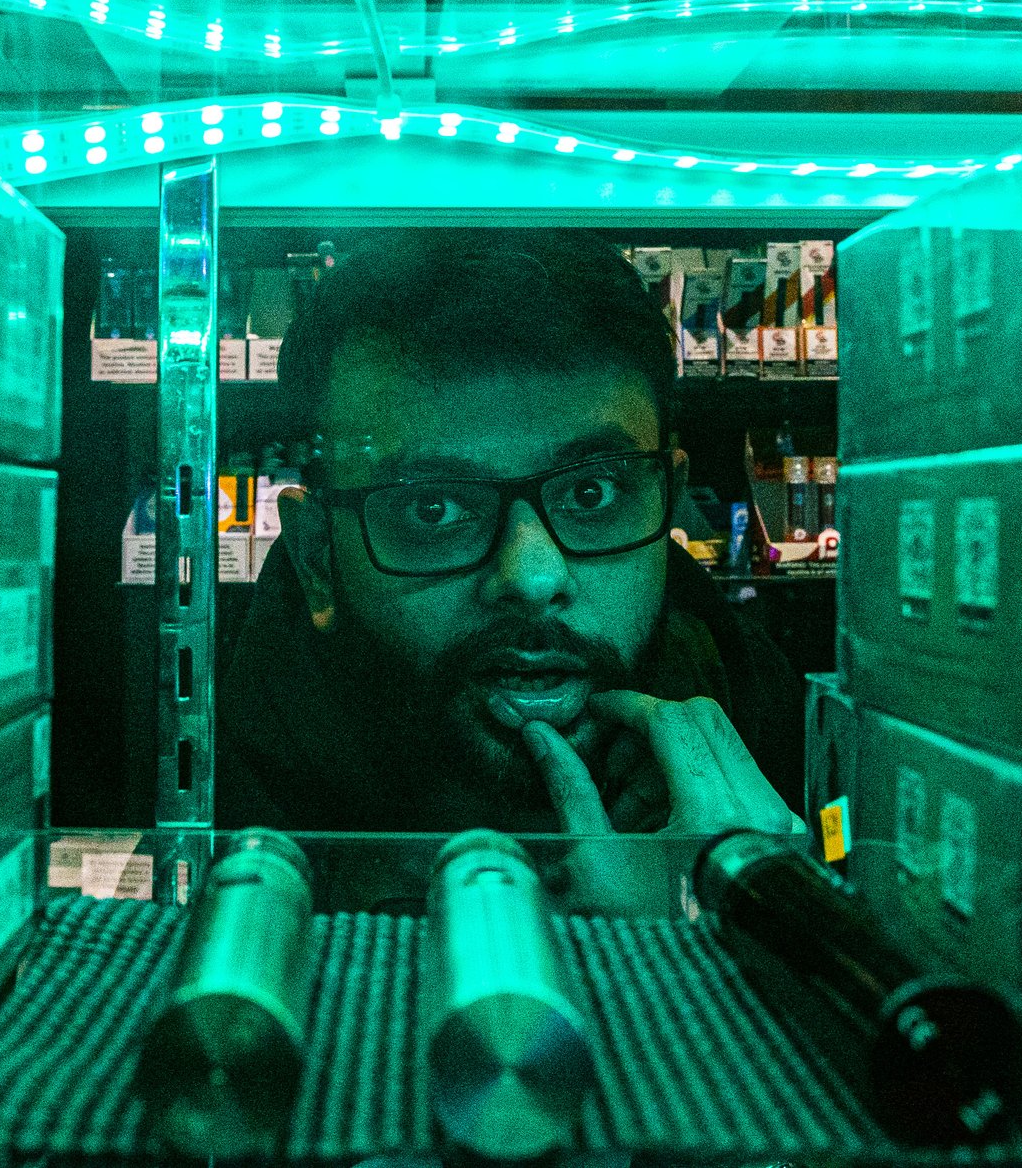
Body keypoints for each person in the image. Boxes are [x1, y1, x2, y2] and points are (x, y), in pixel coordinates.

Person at [219, 229, 803, 838]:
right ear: (318, 560)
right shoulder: (200, 811)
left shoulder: (783, 735)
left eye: (591, 493)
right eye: (433, 509)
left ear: (668, 506)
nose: (532, 577)